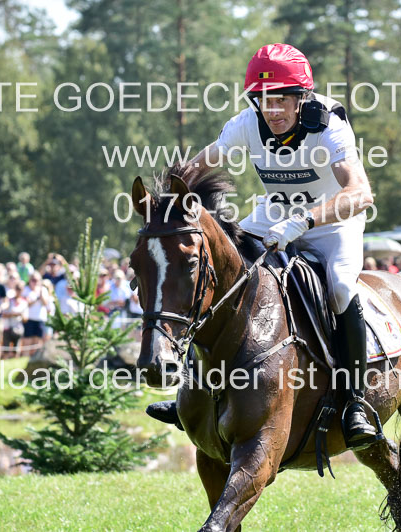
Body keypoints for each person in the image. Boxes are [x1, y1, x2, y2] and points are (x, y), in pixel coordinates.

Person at [146, 43, 378, 448]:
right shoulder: (245, 123)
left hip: (331, 220)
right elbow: (199, 164)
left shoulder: (329, 126)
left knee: (341, 286)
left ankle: (355, 399)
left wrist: (305, 220)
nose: (272, 111)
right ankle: (191, 388)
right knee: (222, 268)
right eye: (264, 100)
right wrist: (167, 200)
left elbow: (361, 193)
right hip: (274, 212)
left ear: (301, 98)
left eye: (282, 99)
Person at [21, 272, 54, 354]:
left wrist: (41, 295)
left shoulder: (43, 290)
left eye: (37, 280)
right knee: (27, 339)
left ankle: (34, 357)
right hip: (29, 318)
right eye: (33, 280)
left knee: (37, 340)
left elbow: (45, 303)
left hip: (40, 318)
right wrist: (36, 299)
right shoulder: (26, 290)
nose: (35, 282)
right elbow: (26, 303)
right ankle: (25, 356)